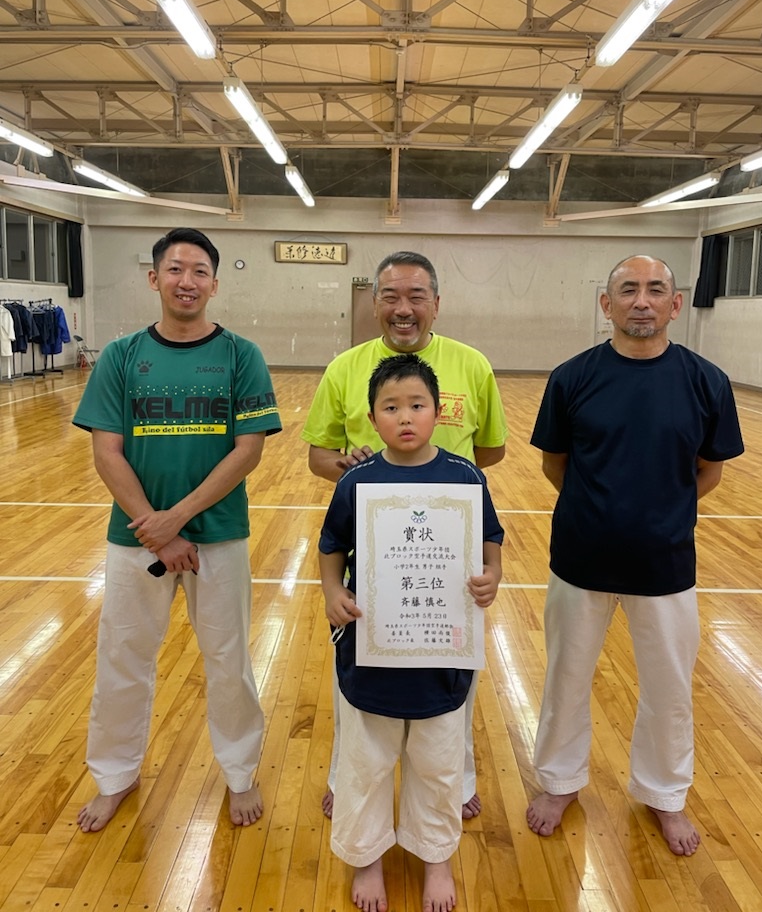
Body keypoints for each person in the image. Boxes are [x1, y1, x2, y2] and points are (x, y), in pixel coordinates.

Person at [526, 254, 744, 857]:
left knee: (669, 688)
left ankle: (665, 793)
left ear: (676, 305)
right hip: (580, 559)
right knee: (566, 678)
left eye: (655, 290)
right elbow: (556, 465)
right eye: (628, 290)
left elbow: (709, 471)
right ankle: (559, 782)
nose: (641, 301)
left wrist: (659, 516)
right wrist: (601, 513)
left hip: (667, 565)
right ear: (607, 304)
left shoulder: (707, 381)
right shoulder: (572, 377)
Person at [73, 227, 281, 833]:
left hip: (219, 535)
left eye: (198, 272)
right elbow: (107, 452)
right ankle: (114, 775)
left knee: (228, 658)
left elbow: (247, 451)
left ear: (214, 284)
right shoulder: (118, 357)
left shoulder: (241, 355)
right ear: (153, 278)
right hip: (136, 538)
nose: (185, 281)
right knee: (123, 657)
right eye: (174, 269)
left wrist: (179, 519)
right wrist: (157, 531)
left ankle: (240, 771)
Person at [301, 250, 508, 820]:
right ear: (375, 305)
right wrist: (353, 467)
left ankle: (455, 780)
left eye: (417, 296)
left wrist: (443, 477)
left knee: (451, 672)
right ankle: (349, 780)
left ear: (436, 304)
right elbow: (318, 455)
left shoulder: (473, 364)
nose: (403, 308)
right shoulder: (345, 368)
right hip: (374, 560)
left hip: (448, 563)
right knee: (361, 674)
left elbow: (490, 449)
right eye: (390, 296)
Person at [319, 353, 504, 912]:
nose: (405, 417)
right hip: (372, 648)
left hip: (440, 653)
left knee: (439, 761)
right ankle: (367, 856)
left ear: (437, 412)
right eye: (391, 407)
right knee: (365, 760)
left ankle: (436, 857)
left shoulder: (465, 476)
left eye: (417, 405)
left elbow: (490, 541)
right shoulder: (357, 481)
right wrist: (333, 593)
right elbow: (331, 548)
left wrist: (492, 576)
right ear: (373, 418)